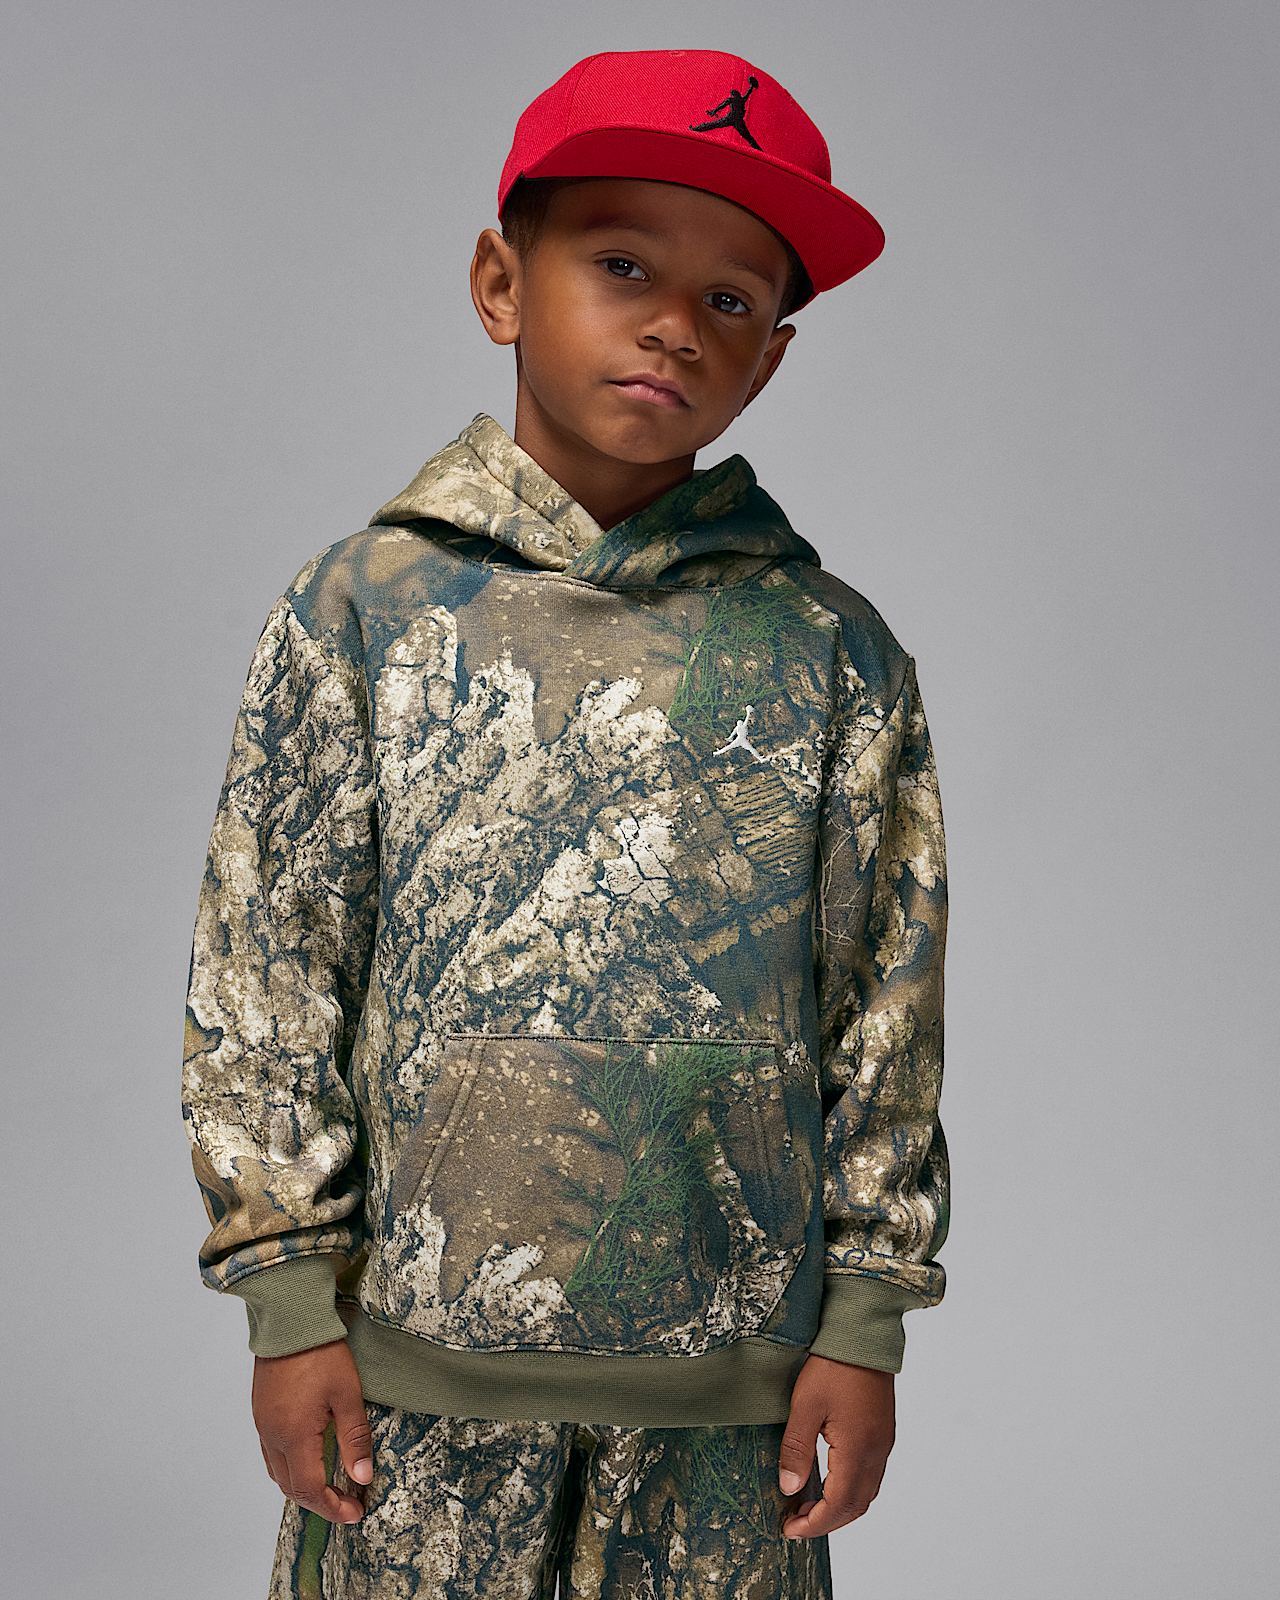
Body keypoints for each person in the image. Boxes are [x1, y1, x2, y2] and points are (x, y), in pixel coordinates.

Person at [183, 48, 948, 1600]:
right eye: (623, 265)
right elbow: (270, 966)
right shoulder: (360, 611)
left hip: (730, 1402)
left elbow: (886, 1005)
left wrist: (865, 1325)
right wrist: (288, 1300)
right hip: (411, 1384)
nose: (675, 324)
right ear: (499, 282)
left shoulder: (831, 653)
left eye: (731, 298)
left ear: (771, 357)